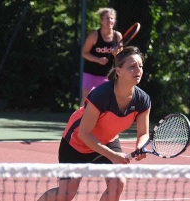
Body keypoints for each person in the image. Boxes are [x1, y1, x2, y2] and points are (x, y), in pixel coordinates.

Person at [37, 46, 151, 201]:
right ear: (118, 71)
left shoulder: (142, 100)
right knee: (65, 195)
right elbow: (84, 133)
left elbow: (143, 133)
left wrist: (140, 146)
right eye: (132, 67)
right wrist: (112, 156)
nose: (138, 70)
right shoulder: (101, 95)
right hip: (76, 143)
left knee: (117, 184)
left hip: (107, 141)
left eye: (140, 66)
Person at [80, 7, 123, 107]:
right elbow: (84, 53)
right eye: (107, 18)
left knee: (108, 101)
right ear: (101, 20)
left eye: (112, 18)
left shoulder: (118, 36)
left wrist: (116, 54)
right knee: (86, 99)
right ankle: (79, 121)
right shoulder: (94, 36)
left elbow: (121, 57)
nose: (110, 21)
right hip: (91, 73)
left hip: (108, 75)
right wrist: (98, 60)